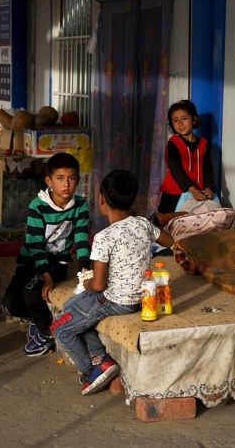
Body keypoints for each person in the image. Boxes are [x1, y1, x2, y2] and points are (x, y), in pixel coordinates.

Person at [51, 169, 174, 395]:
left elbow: (98, 286)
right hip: (143, 297)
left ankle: (91, 371)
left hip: (116, 301)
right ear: (133, 199)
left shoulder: (104, 237)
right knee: (72, 307)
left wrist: (86, 284)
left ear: (101, 199)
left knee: (60, 328)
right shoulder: (143, 224)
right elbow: (169, 240)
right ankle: (100, 358)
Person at [1, 152, 91, 357]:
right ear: (49, 180)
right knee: (9, 305)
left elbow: (81, 237)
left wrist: (85, 265)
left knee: (32, 294)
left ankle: (48, 333)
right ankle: (35, 319)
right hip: (32, 259)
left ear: (78, 179)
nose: (66, 184)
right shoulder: (38, 206)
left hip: (56, 261)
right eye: (60, 178)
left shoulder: (80, 205)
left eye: (71, 178)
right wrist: (45, 276)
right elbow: (35, 245)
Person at [157, 99, 217, 215]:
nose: (180, 124)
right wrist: (192, 189)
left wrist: (209, 187)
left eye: (184, 119)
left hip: (198, 193)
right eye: (175, 120)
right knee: (168, 225)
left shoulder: (204, 144)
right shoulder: (173, 143)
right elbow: (176, 170)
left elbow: (208, 169)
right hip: (174, 194)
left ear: (193, 120)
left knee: (193, 225)